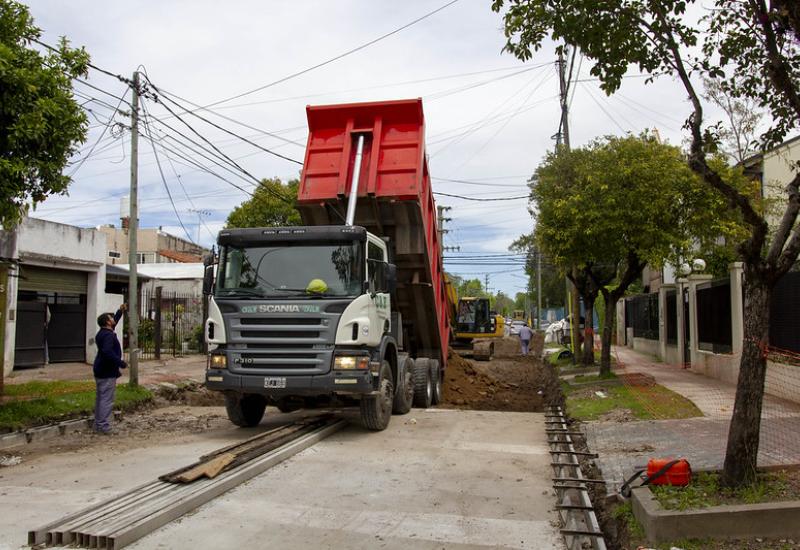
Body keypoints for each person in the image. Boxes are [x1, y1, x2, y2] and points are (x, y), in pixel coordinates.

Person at [93, 304, 128, 434]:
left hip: (100, 369)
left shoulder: (103, 332)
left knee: (101, 398)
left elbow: (115, 322)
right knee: (106, 399)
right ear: (107, 322)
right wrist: (121, 363)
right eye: (111, 318)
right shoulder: (108, 336)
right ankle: (103, 426)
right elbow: (107, 352)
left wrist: (120, 311)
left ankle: (98, 424)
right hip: (107, 371)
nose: (113, 319)